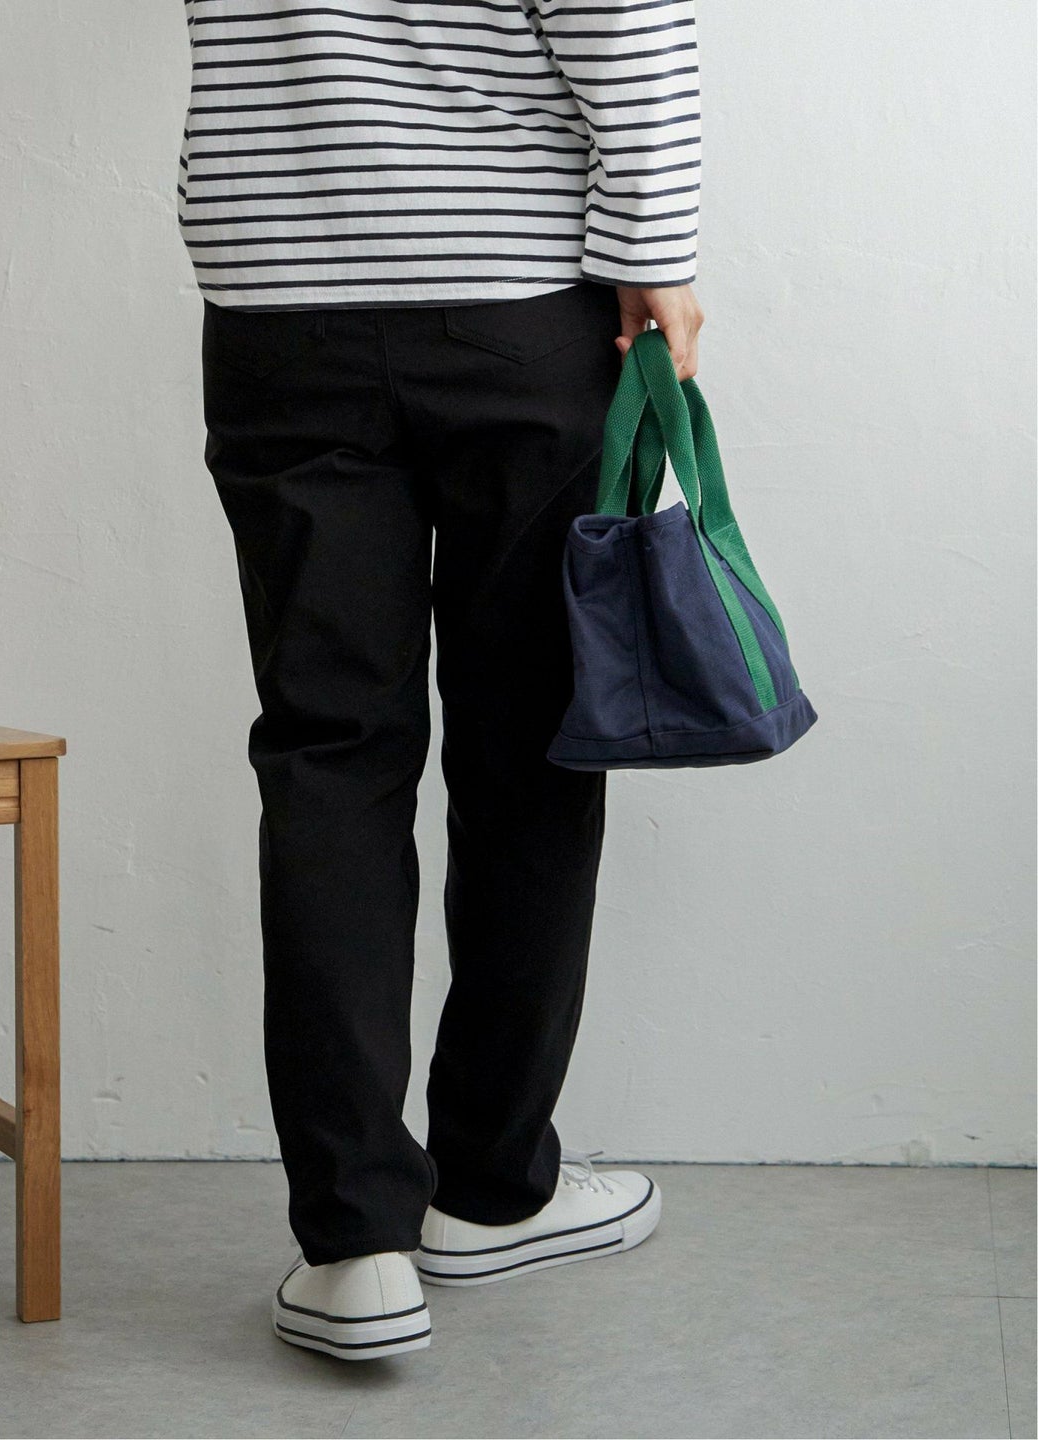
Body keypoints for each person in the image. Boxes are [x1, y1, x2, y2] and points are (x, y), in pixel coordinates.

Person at [178, 0, 705, 1360]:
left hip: (278, 308)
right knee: (530, 747)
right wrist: (657, 254)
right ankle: (490, 1190)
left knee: (328, 756)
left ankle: (355, 1246)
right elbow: (623, 21)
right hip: (516, 305)